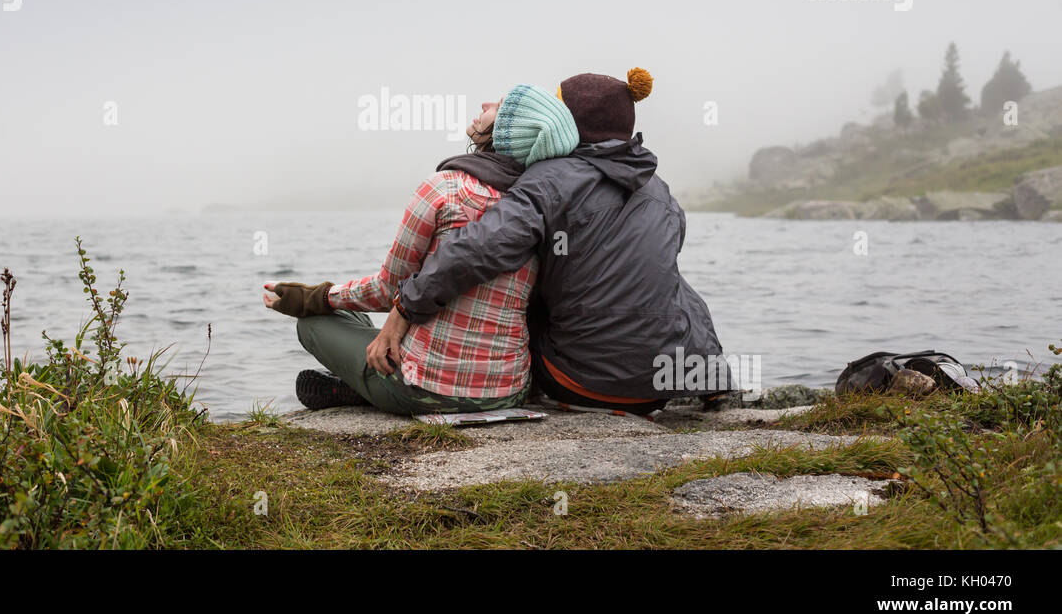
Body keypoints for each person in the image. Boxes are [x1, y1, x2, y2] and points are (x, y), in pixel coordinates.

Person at [378, 68, 726, 415]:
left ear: (567, 123)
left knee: (531, 276)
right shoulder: (661, 192)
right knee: (664, 278)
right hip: (657, 388)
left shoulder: (550, 178)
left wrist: (407, 304)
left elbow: (479, 246)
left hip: (580, 383)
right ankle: (713, 380)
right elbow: (674, 292)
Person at [263, 84, 579, 414]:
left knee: (314, 322)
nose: (485, 103)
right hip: (509, 390)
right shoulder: (543, 211)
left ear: (506, 132)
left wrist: (314, 296)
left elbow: (389, 290)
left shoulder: (444, 188)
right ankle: (361, 382)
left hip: (425, 387)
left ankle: (366, 386)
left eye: (498, 106)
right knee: (350, 313)